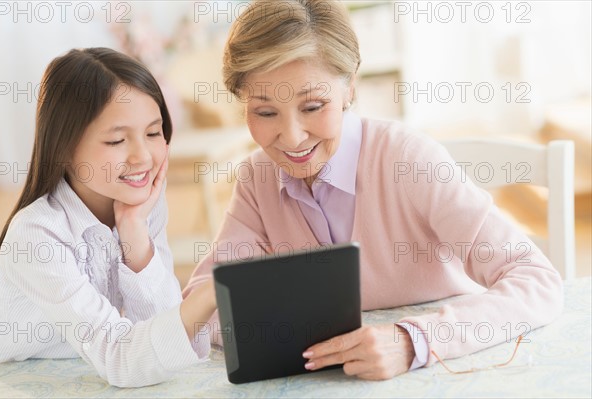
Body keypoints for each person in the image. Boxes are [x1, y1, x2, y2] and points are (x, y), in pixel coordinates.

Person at [184, 0, 563, 380]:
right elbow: (203, 305)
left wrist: (413, 340)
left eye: (313, 106)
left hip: (448, 372)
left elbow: (536, 279)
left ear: (350, 86)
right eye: (266, 113)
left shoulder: (408, 158)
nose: (293, 137)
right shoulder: (257, 178)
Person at [0, 48, 216, 388]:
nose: (143, 157)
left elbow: (176, 346)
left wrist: (135, 234)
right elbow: (120, 359)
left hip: (74, 376)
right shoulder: (36, 234)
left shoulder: (139, 207)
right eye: (117, 140)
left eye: (154, 133)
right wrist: (209, 294)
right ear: (64, 147)